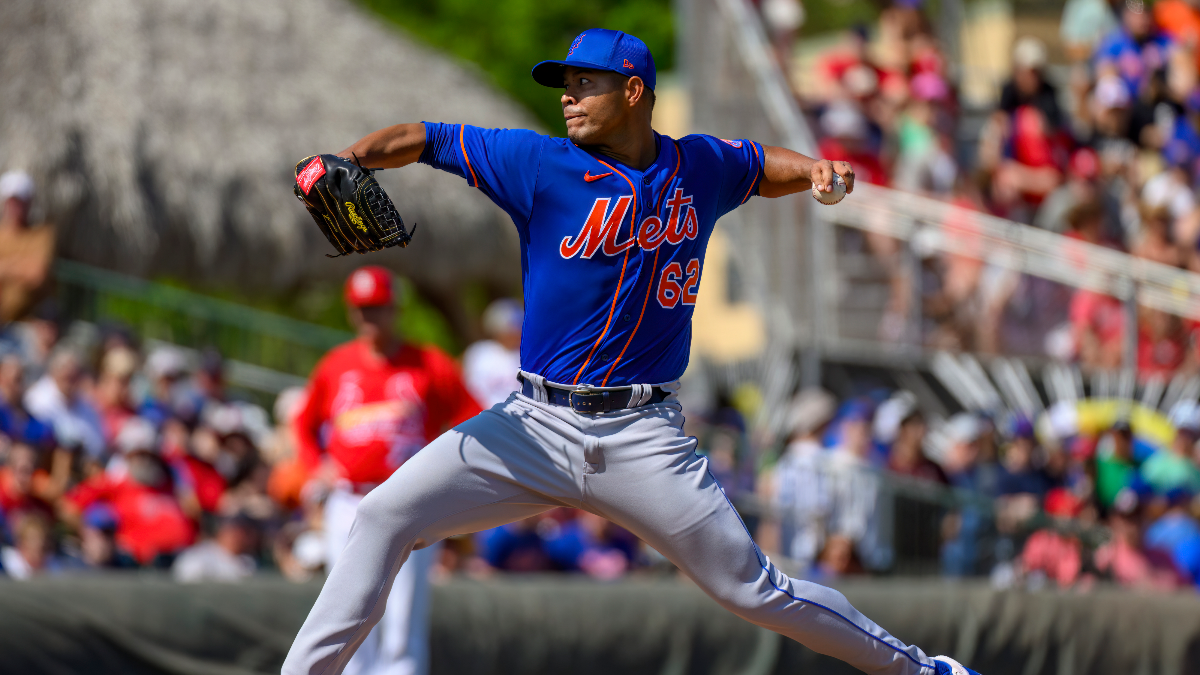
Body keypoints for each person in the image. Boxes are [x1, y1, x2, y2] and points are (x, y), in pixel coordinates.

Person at [283, 29, 979, 675]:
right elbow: (424, 136)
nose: (567, 96)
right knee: (381, 515)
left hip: (640, 435)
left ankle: (924, 670)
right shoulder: (538, 163)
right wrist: (353, 158)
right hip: (530, 424)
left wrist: (815, 170)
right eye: (565, 84)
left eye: (585, 83)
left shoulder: (696, 165)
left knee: (752, 589)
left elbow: (760, 166)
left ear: (633, 91)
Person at [291, 265, 481, 675]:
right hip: (347, 499)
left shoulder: (429, 363)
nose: (369, 318)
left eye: (377, 308)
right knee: (346, 615)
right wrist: (314, 465)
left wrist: (450, 473)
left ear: (395, 308)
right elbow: (304, 424)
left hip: (407, 500)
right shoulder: (335, 365)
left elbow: (475, 416)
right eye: (361, 309)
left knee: (402, 620)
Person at [0, 171, 55, 324]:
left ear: (29, 202)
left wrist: (4, 267)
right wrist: (20, 264)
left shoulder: (42, 234)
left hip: (28, 322)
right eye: (12, 201)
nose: (16, 207)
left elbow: (37, 273)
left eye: (21, 201)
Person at [461, 298, 524, 408]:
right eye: (512, 327)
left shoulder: (526, 356)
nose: (516, 331)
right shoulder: (480, 353)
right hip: (484, 416)